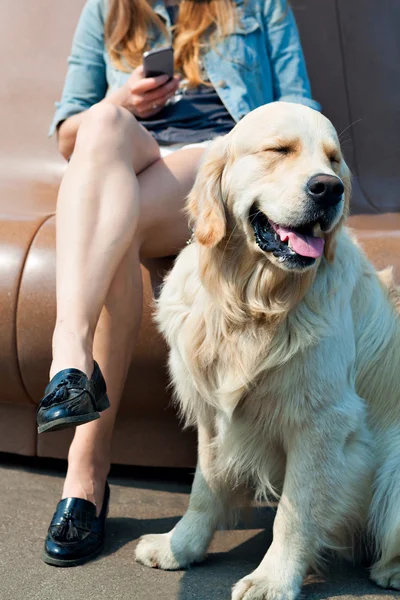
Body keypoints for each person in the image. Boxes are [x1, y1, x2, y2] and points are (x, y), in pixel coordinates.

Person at [39, 0, 320, 567]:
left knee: (107, 233)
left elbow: (304, 112)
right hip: (131, 166)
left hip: (215, 168)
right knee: (100, 123)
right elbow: (69, 132)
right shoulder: (108, 10)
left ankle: (83, 474)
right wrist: (122, 101)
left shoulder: (258, 7)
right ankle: (71, 357)